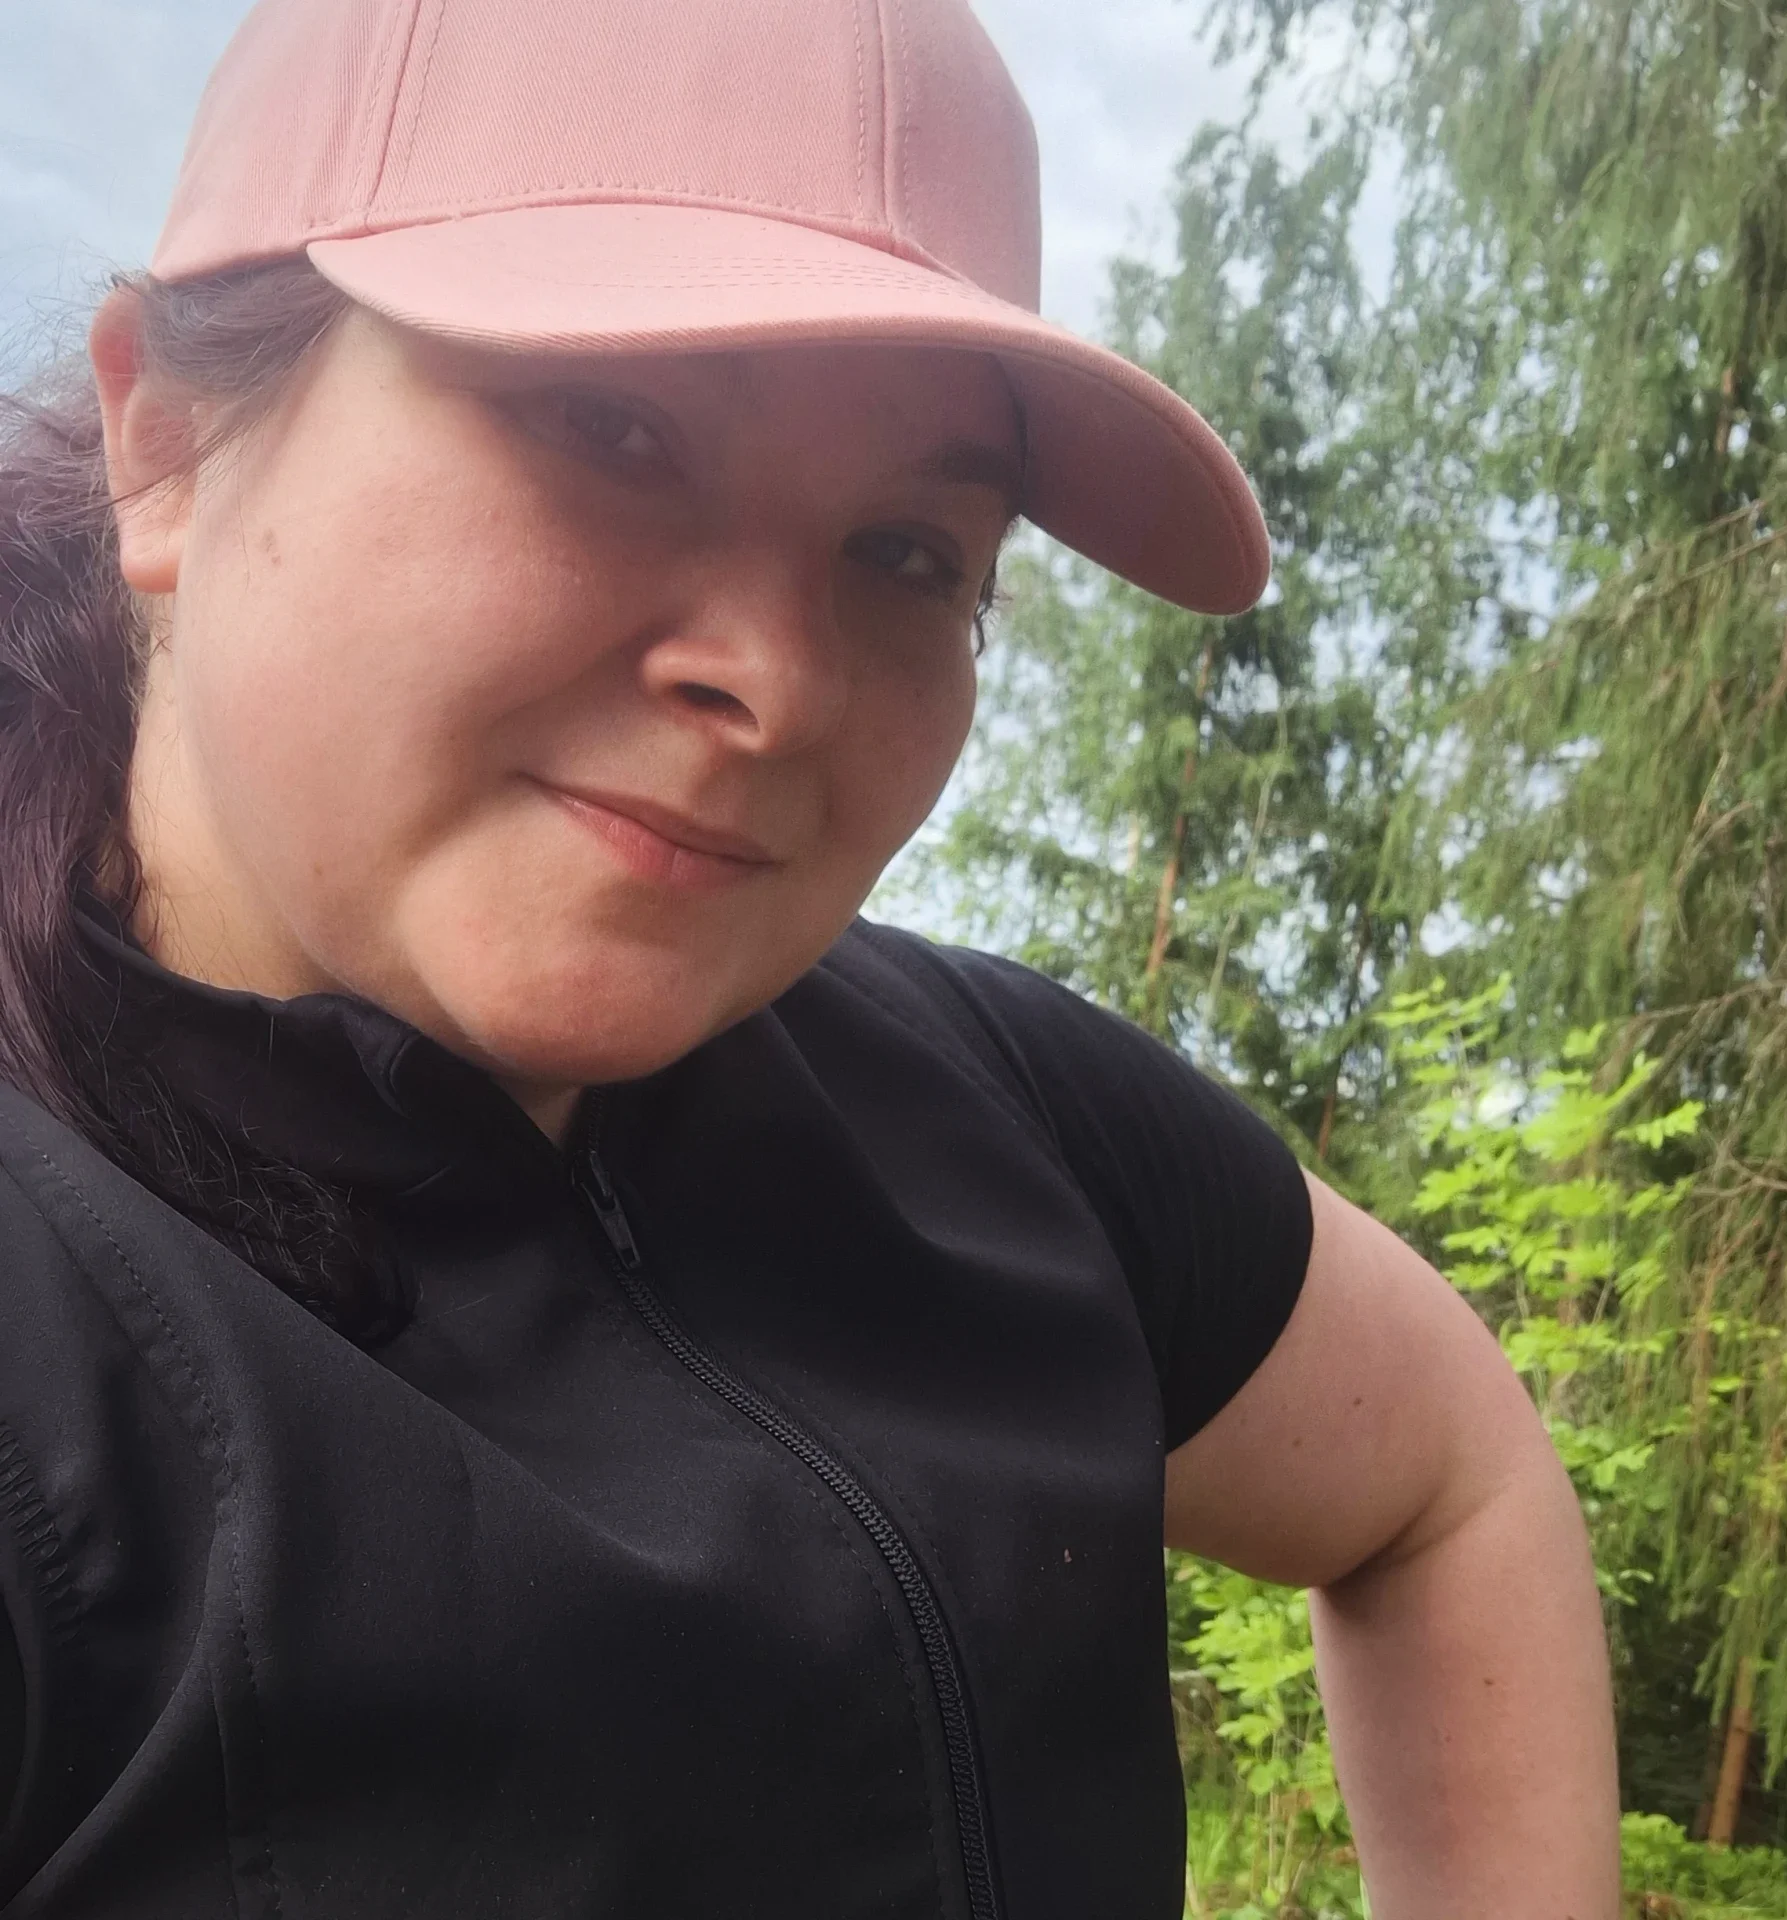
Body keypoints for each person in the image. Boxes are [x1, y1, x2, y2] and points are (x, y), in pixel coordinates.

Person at [0, 0, 1618, 1913]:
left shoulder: (994, 1107)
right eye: (611, 426)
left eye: (909, 551)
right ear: (171, 444)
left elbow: (1447, 1470)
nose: (775, 682)